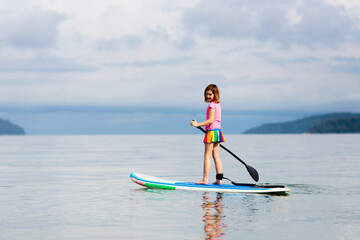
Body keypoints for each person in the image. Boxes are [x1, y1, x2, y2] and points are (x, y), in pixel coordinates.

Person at [190, 84, 225, 185]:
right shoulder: (218, 105)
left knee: (207, 156)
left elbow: (210, 120)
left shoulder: (212, 106)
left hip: (211, 133)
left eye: (210, 94)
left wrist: (197, 124)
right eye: (206, 94)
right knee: (216, 156)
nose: (208, 96)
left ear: (215, 94)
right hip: (218, 132)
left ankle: (205, 179)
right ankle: (219, 179)